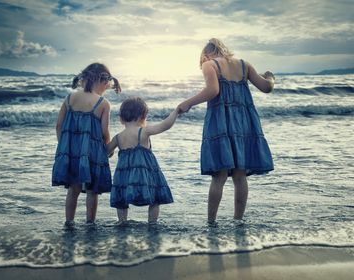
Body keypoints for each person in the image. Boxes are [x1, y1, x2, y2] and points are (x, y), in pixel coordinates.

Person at [177, 38, 274, 225]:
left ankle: (211, 222)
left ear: (205, 55)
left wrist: (188, 102)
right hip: (244, 123)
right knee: (240, 175)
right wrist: (270, 77)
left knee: (219, 176)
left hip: (221, 123)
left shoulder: (209, 64)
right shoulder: (244, 65)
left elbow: (213, 90)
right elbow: (266, 87)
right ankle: (238, 220)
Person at [52, 62, 121, 228]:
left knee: (73, 189)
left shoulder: (69, 98)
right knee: (92, 190)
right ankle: (90, 223)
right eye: (107, 85)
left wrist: (64, 146)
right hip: (92, 152)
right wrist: (107, 148)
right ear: (102, 81)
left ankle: (69, 222)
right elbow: (105, 131)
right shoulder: (103, 103)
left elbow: (59, 125)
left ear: (83, 79)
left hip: (70, 151)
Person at [107, 97, 177, 225]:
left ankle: (122, 222)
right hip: (145, 174)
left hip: (124, 175)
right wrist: (176, 111)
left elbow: (106, 152)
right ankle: (152, 223)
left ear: (121, 118)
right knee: (155, 198)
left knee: (122, 199)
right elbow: (165, 125)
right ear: (143, 117)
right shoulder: (144, 131)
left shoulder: (118, 137)